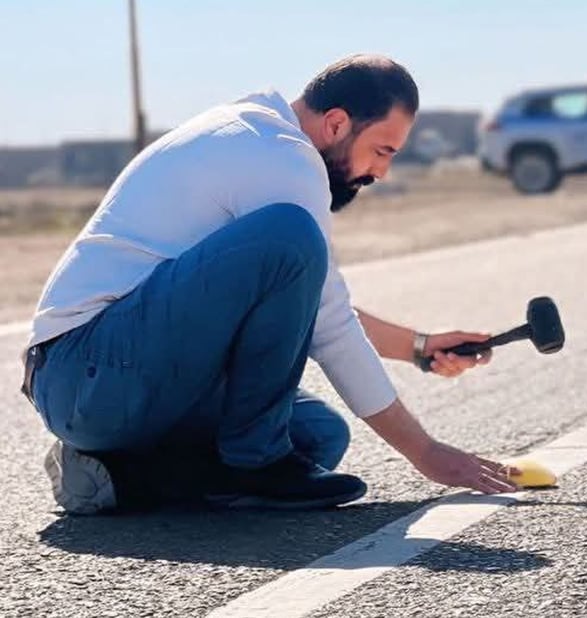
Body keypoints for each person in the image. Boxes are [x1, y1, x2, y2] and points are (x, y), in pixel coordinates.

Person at [20, 53, 518, 515]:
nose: (381, 173)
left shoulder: (261, 135)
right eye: (381, 150)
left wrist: (420, 347)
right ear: (338, 123)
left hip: (112, 378)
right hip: (85, 370)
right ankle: (251, 464)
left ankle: (117, 479)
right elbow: (329, 322)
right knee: (290, 236)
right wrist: (426, 452)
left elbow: (316, 305)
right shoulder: (279, 155)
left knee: (317, 436)